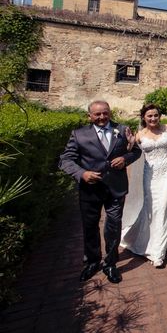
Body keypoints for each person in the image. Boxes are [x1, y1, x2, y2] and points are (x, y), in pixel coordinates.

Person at [59, 100, 141, 283]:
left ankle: (110, 264)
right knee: (90, 227)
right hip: (90, 190)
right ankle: (92, 261)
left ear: (110, 112)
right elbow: (65, 160)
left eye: (105, 113)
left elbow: (136, 151)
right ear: (90, 116)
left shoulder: (123, 129)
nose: (102, 117)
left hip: (116, 188)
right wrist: (82, 173)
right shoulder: (79, 134)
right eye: (97, 114)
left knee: (113, 226)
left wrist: (125, 158)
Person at [121, 104, 167, 268]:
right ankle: (150, 235)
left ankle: (157, 253)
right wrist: (130, 143)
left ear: (159, 116)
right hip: (150, 175)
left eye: (155, 115)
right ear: (143, 118)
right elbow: (128, 152)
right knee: (151, 207)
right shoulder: (139, 135)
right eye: (149, 116)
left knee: (163, 205)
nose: (153, 118)